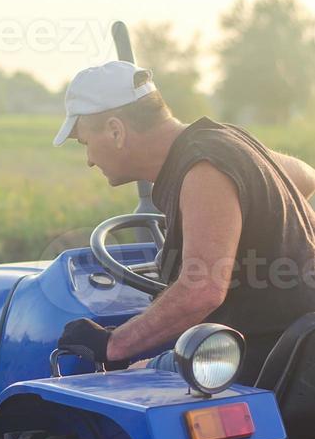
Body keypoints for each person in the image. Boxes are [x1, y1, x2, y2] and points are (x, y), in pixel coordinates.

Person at [54, 61, 315, 384]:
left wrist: (114, 343)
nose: (90, 159)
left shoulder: (203, 167)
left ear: (116, 131)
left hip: (263, 361)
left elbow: (202, 290)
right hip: (293, 350)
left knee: (124, 381)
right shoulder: (225, 142)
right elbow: (305, 177)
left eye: (84, 143)